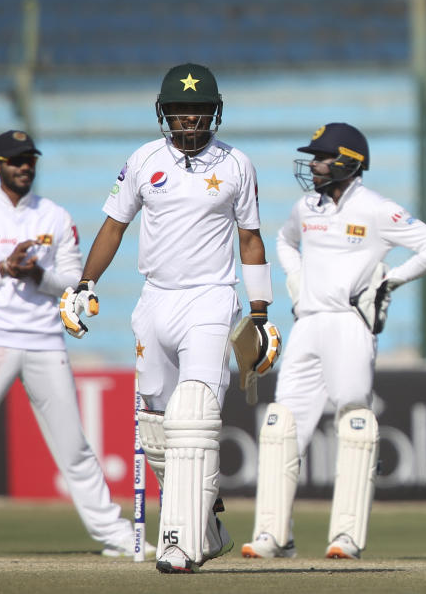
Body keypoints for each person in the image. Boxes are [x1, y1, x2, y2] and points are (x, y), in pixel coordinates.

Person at [58, 63, 280, 574]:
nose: (190, 122)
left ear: (214, 113)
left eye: (199, 112)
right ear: (165, 113)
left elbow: (250, 239)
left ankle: (180, 541)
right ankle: (210, 527)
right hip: (154, 299)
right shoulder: (143, 160)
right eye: (181, 112)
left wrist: (261, 312)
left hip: (210, 299)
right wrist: (84, 284)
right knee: (157, 427)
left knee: (194, 413)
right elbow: (114, 227)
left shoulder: (237, 164)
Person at [0, 130, 145, 557]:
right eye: (15, 160)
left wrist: (38, 277)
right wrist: (2, 266)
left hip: (44, 340)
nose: (24, 167)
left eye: (29, 159)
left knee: (73, 447)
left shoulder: (54, 216)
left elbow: (74, 283)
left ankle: (115, 535)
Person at [241, 122, 426, 560]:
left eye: (321, 157)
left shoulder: (376, 209)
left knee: (356, 422)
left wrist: (389, 282)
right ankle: (273, 535)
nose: (314, 164)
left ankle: (347, 536)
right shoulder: (306, 207)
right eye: (313, 156)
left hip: (350, 324)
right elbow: (283, 240)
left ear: (349, 162)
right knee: (282, 425)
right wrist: (295, 278)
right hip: (308, 325)